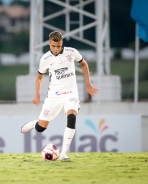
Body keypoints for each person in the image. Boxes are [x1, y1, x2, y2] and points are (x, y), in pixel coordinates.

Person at [21, 31, 98, 160]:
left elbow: (84, 64)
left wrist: (88, 84)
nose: (56, 49)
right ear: (49, 44)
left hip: (71, 93)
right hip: (54, 95)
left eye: (58, 46)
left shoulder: (71, 52)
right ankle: (35, 124)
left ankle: (63, 154)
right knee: (41, 128)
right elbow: (39, 77)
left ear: (62, 43)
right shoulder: (45, 59)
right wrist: (37, 95)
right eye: (53, 46)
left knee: (72, 116)